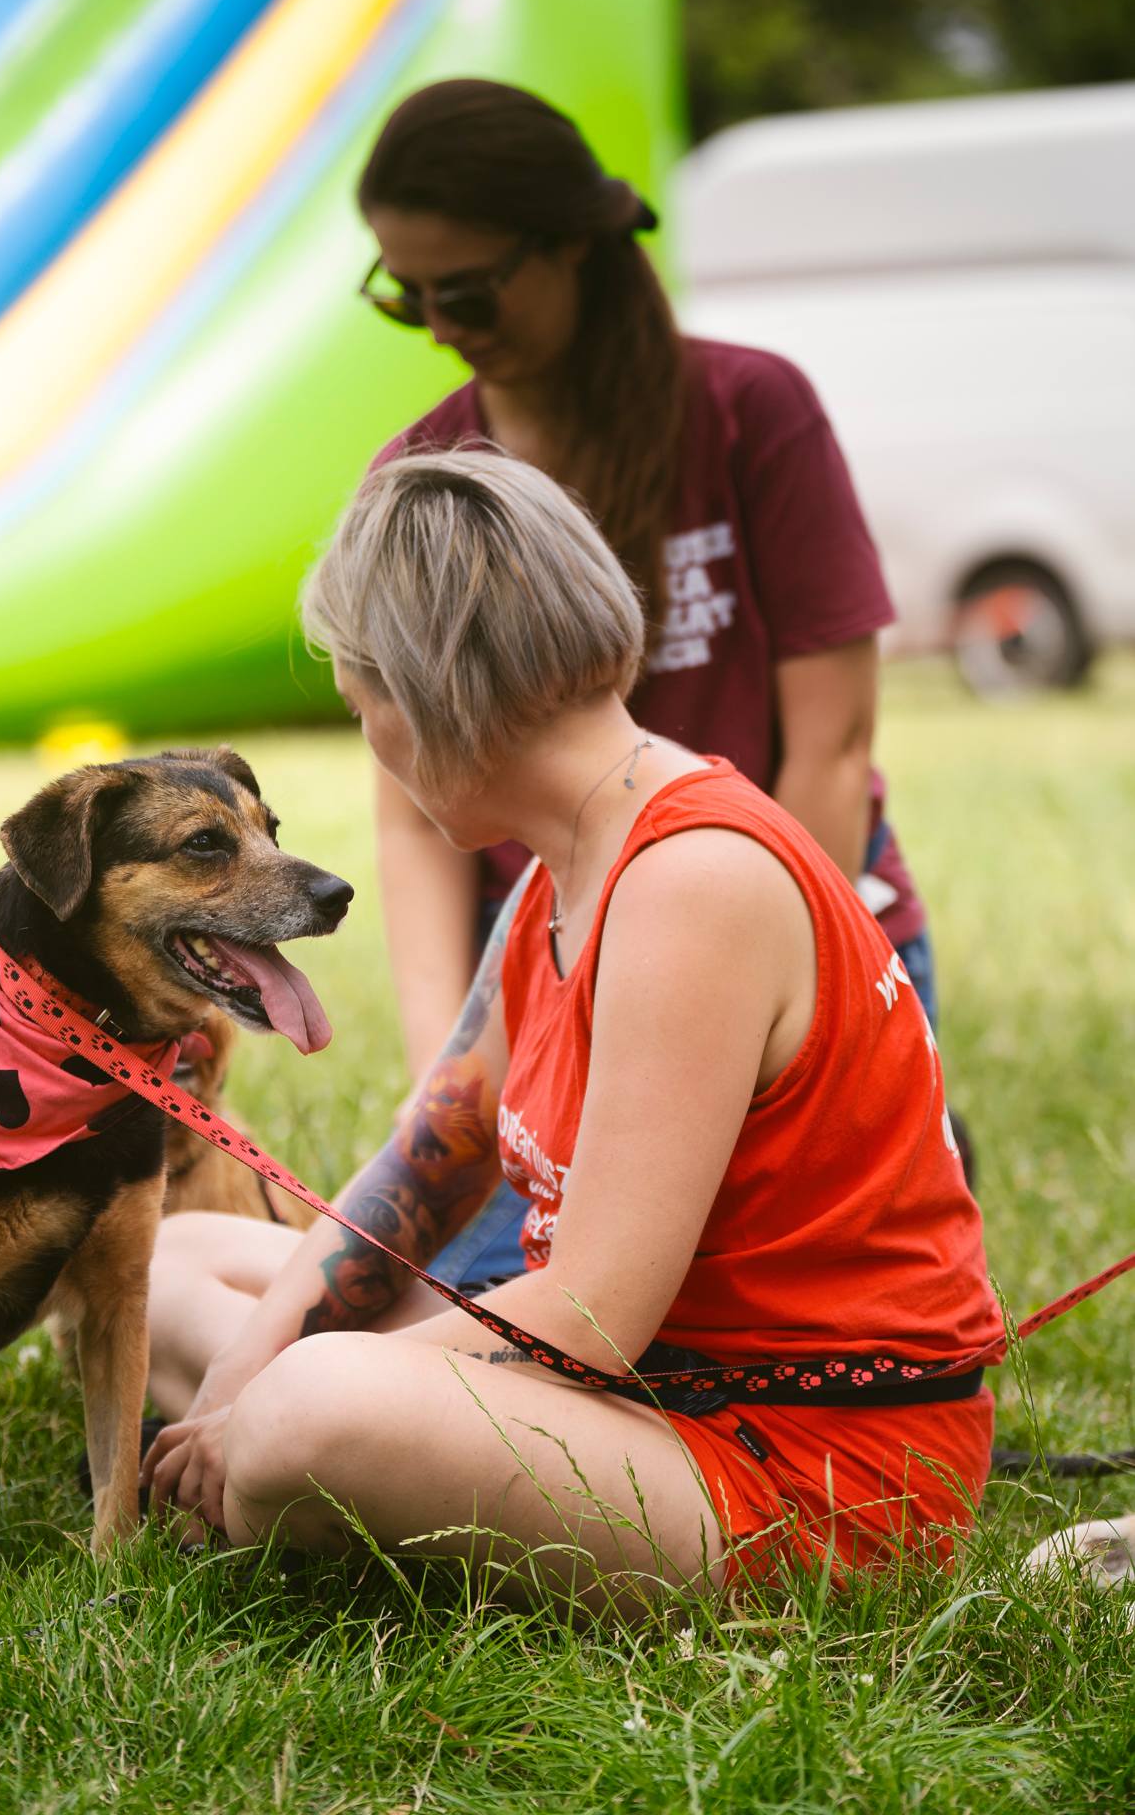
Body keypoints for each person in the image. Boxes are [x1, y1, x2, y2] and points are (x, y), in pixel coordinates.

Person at [143, 452, 1001, 1606]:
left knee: (311, 1408)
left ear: (426, 691)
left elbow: (592, 1312)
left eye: (363, 712)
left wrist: (273, 1395)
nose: (376, 757)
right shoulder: (574, 863)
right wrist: (244, 1365)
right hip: (650, 1390)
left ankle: (269, 1485)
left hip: (809, 1469)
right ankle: (272, 1468)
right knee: (170, 1264)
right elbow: (434, 1150)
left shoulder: (692, 883)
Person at [354, 78, 969, 1292]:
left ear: (574, 244)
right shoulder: (424, 477)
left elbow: (831, 753)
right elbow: (413, 806)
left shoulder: (751, 412)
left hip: (795, 931)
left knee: (641, 1309)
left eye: (466, 291)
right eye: (403, 295)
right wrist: (446, 1090)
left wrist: (761, 1022)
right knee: (443, 1302)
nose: (437, 324)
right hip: (544, 967)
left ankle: (905, 1130)